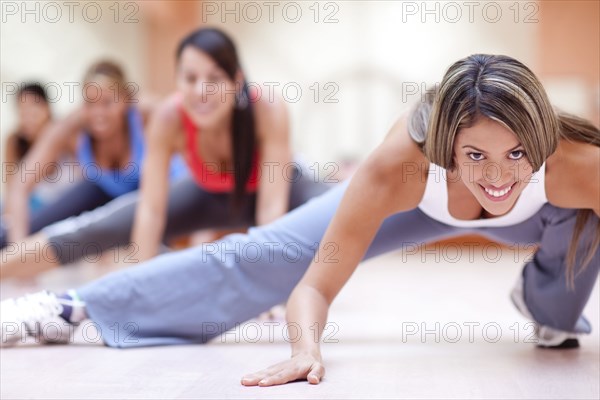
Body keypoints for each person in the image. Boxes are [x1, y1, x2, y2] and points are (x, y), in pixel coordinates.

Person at [1, 55, 597, 388]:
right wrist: (305, 348)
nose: (497, 176)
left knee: (579, 253)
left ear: (540, 140)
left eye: (517, 154)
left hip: (550, 222)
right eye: (475, 156)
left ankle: (547, 303)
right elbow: (313, 285)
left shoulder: (580, 168)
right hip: (417, 208)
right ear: (446, 149)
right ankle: (72, 307)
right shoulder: (399, 169)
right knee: (264, 254)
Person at [0, 27, 330, 279]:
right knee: (100, 227)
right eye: (190, 78)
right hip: (207, 194)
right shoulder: (169, 117)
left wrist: (268, 287)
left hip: (282, 192)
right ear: (178, 81)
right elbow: (151, 212)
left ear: (237, 81)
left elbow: (271, 210)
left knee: (343, 205)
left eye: (215, 78)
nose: (202, 91)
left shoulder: (268, 109)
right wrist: (139, 283)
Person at [1, 61, 186, 250]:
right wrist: (19, 249)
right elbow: (19, 186)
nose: (98, 113)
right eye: (90, 103)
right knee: (16, 235)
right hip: (103, 193)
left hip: (155, 194)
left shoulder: (146, 113)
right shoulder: (73, 125)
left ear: (125, 99)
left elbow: (189, 121)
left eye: (107, 102)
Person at [2, 83, 70, 212]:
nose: (27, 119)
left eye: (32, 111)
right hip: (28, 208)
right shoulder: (14, 141)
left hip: (58, 208)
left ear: (47, 108)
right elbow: (10, 190)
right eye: (22, 113)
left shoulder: (65, 136)